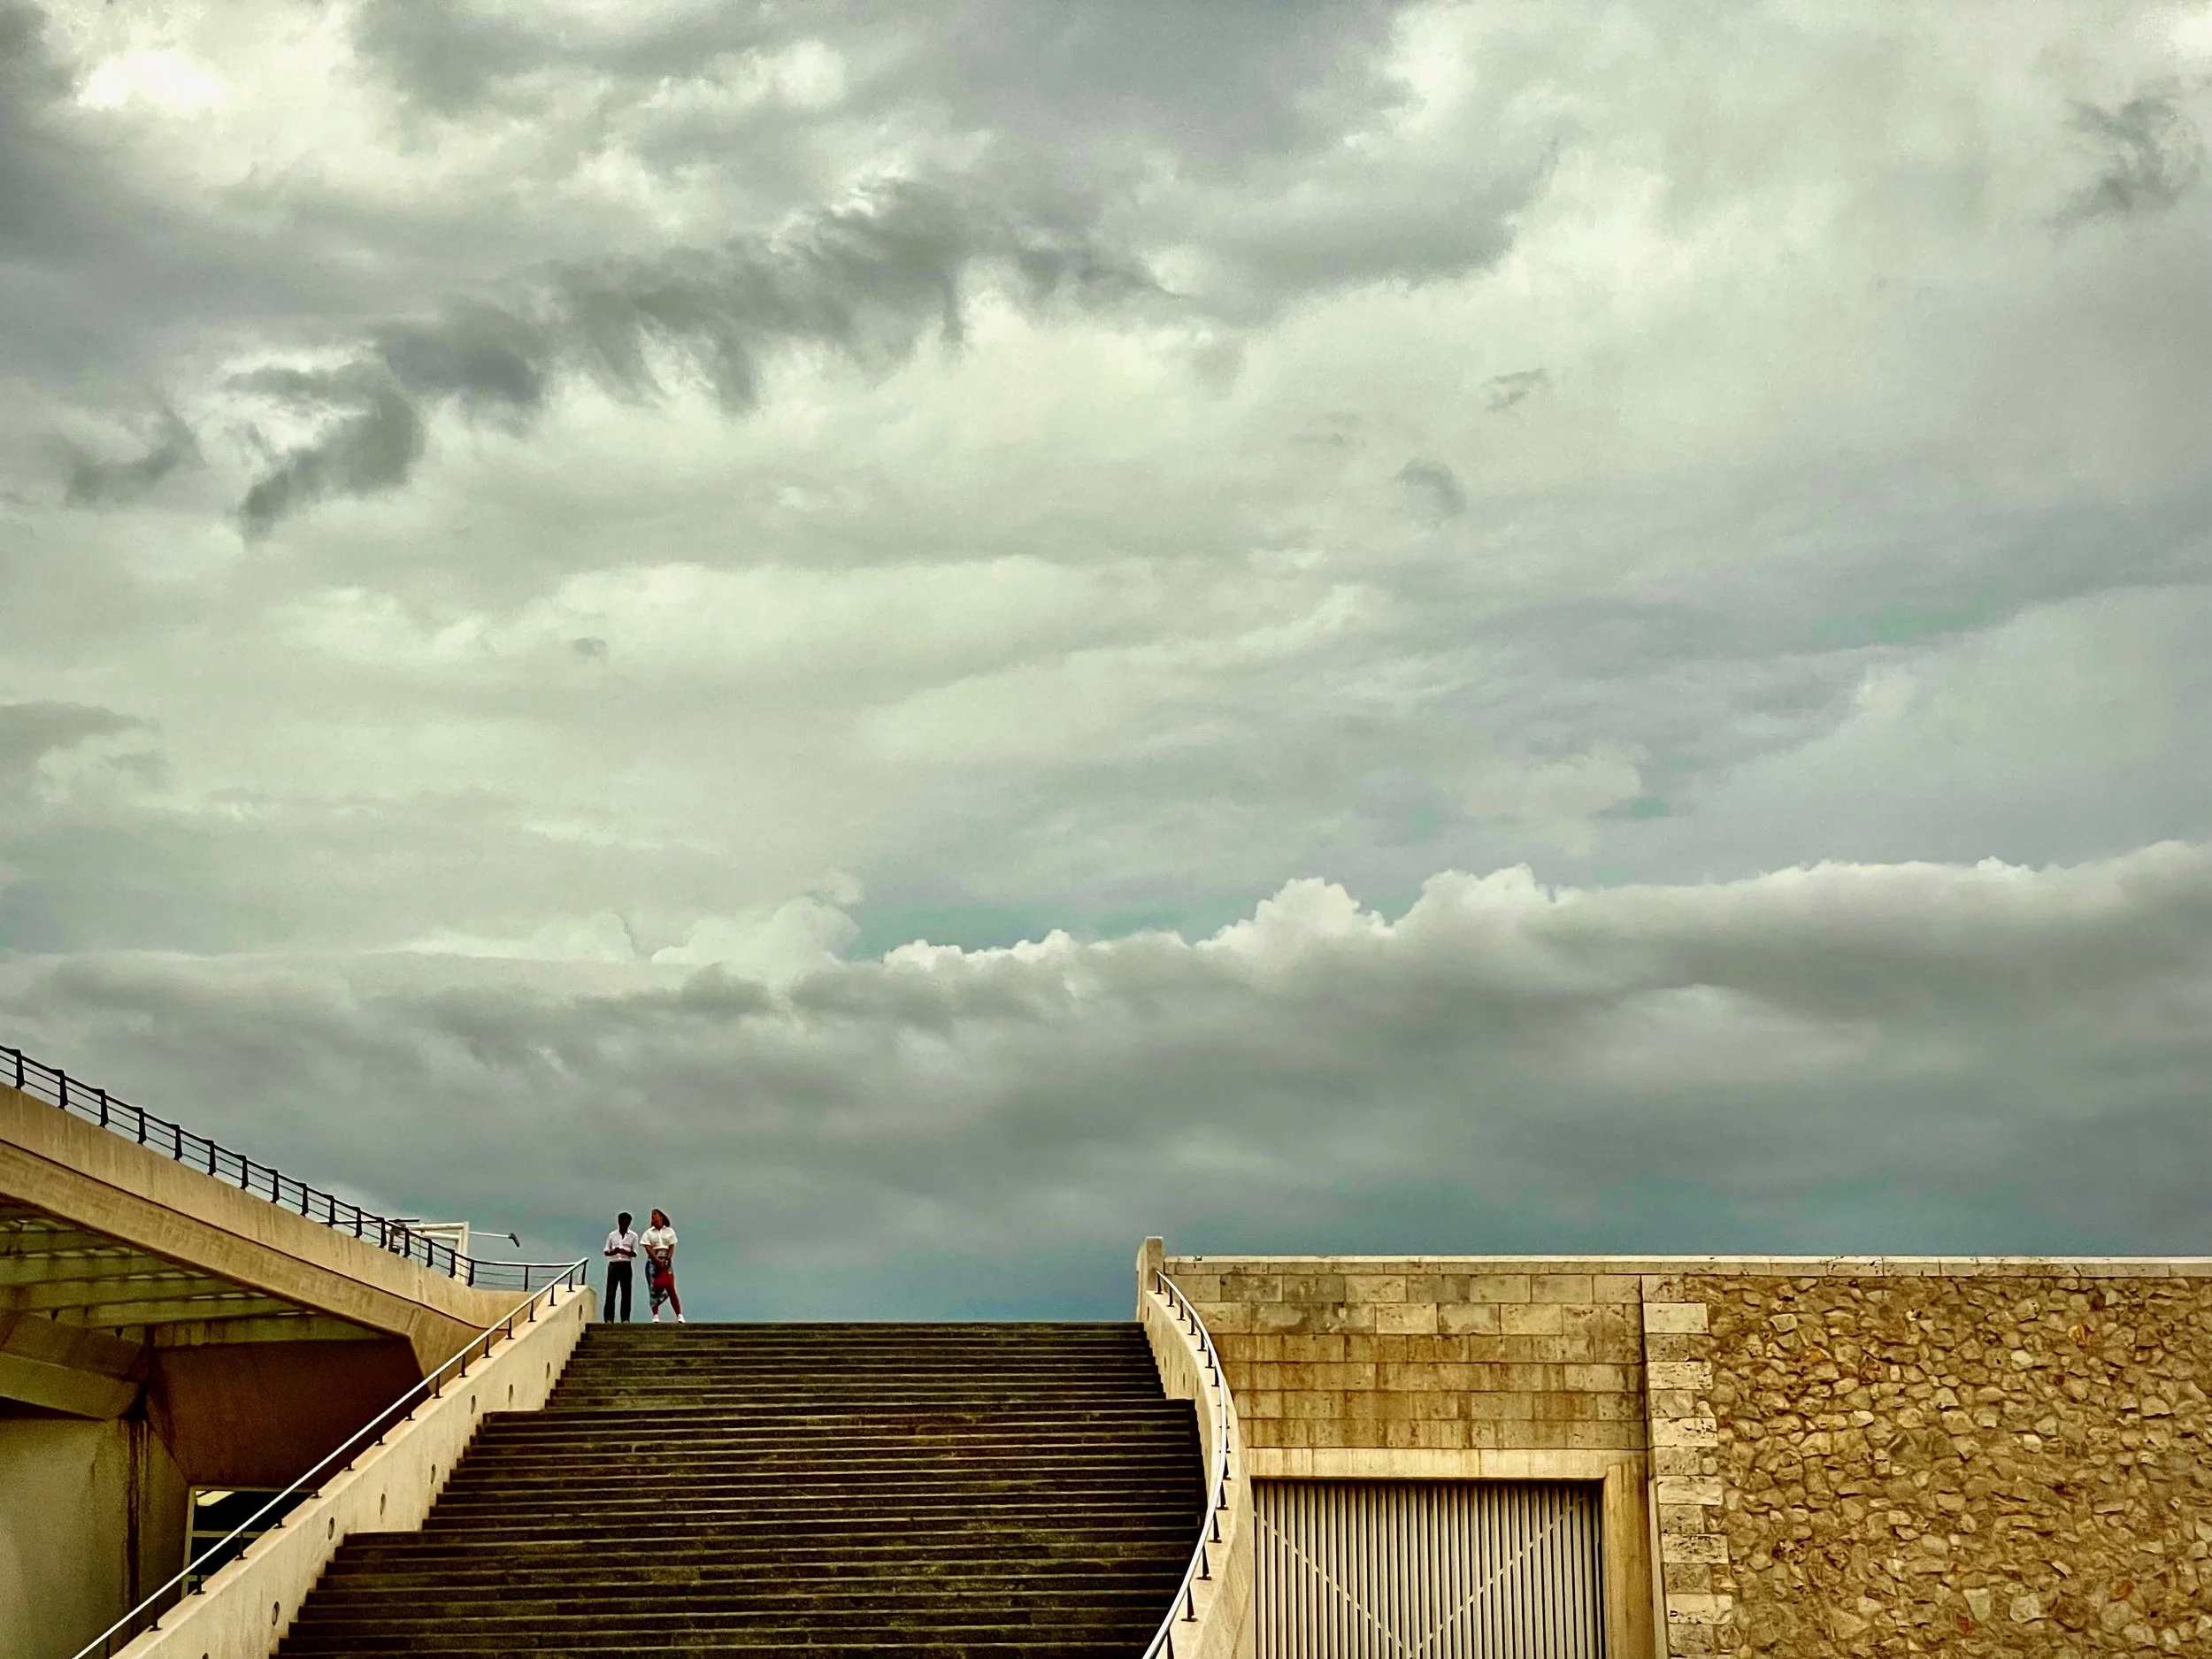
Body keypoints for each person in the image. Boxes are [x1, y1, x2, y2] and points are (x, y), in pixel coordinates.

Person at [641, 1208, 683, 1324]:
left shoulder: (669, 1231)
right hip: (653, 1260)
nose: (653, 1217)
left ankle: (679, 1314)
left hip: (666, 1259)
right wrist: (656, 1259)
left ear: (661, 1217)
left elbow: (671, 1246)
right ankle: (655, 1314)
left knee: (670, 1287)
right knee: (653, 1287)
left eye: (655, 1215)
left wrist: (668, 1258)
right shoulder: (649, 1233)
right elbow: (648, 1248)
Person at [602, 1211, 638, 1322]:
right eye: (622, 1222)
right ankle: (609, 1318)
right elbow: (606, 1252)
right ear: (619, 1222)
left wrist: (625, 1252)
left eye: (626, 1223)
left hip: (626, 1264)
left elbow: (635, 1253)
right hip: (614, 1264)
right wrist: (614, 1251)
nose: (624, 1224)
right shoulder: (612, 1235)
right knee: (610, 1292)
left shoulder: (633, 1236)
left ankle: (625, 1318)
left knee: (626, 1292)